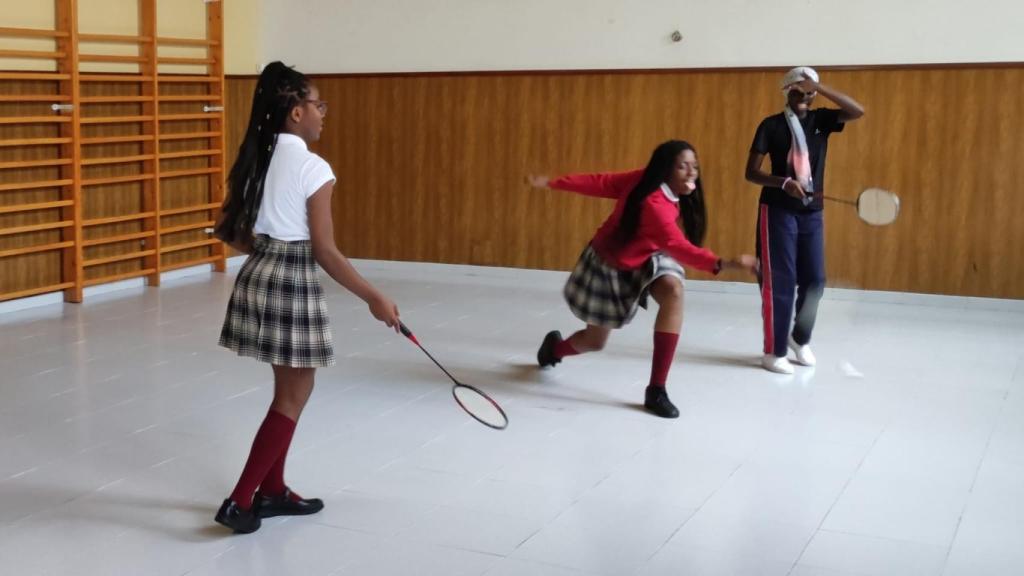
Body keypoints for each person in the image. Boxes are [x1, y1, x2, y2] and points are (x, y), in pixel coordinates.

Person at [212, 61, 400, 533]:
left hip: (258, 275)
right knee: (294, 395)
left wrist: (268, 250)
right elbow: (325, 251)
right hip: (291, 281)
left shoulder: (256, 158)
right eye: (318, 105)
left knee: (290, 389)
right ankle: (240, 500)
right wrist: (374, 296)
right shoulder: (313, 167)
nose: (323, 114)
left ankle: (272, 492)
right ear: (295, 112)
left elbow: (230, 231)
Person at [528, 140, 757, 418]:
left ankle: (656, 389)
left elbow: (604, 185)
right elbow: (678, 245)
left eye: (694, 166)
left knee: (674, 291)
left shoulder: (661, 189)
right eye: (682, 167)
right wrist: (728, 263)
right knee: (594, 341)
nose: (691, 172)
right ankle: (555, 349)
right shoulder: (653, 204)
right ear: (665, 170)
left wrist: (555, 183)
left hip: (650, 254)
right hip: (612, 264)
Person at [745, 66, 865, 375]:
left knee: (815, 280)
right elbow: (751, 172)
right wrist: (783, 183)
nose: (806, 98)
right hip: (778, 210)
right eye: (800, 91)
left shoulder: (821, 120)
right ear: (787, 92)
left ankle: (799, 338)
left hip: (812, 210)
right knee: (780, 280)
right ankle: (773, 351)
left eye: (810, 93)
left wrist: (820, 88)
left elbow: (857, 111)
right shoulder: (770, 126)